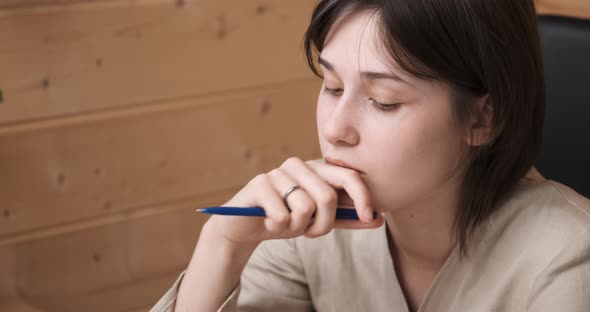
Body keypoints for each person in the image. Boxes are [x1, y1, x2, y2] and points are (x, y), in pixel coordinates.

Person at [151, 0, 590, 311]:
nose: (334, 130)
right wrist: (222, 244)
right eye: (333, 87)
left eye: (383, 101)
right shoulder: (312, 226)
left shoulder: (569, 255)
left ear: (483, 118)